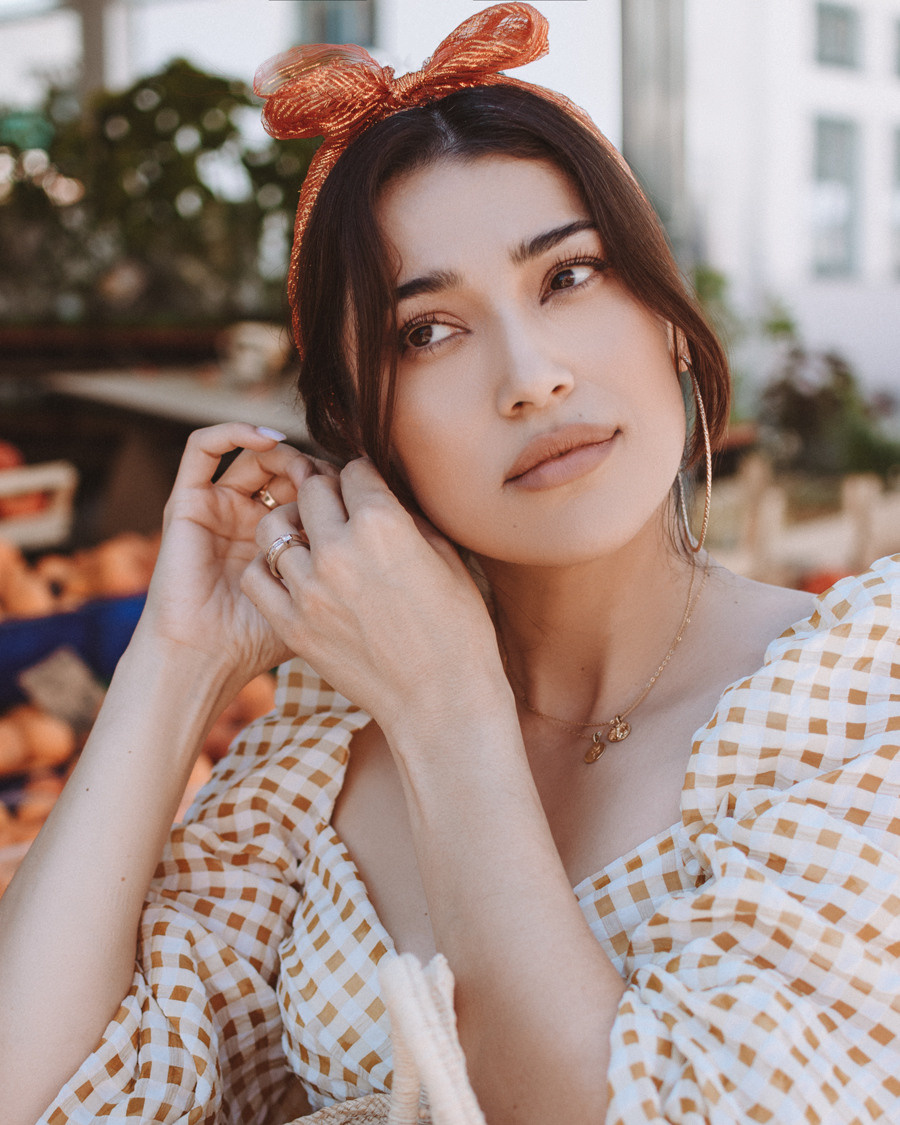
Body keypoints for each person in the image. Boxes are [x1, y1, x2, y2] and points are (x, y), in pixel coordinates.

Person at [2, 4, 900, 1123]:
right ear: (359, 430)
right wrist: (179, 659)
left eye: (569, 276)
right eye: (427, 332)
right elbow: (32, 1090)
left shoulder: (860, 707)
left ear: (671, 319)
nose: (531, 377)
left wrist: (449, 712)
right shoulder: (317, 760)